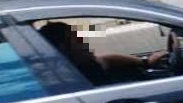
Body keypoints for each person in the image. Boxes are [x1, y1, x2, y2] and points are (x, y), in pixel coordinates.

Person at [37, 22, 168, 86]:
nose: (83, 41)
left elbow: (106, 59)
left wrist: (145, 62)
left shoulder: (86, 65)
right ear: (63, 48)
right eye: (77, 39)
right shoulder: (67, 79)